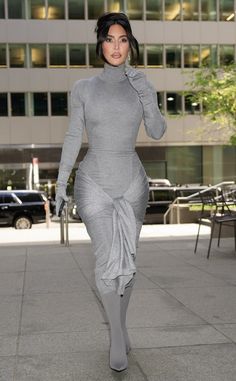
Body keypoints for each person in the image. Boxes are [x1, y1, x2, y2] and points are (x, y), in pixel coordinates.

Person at [56, 12, 166, 372]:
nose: (115, 47)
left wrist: (148, 94)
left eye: (122, 40)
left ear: (130, 44)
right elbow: (74, 136)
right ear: (100, 44)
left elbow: (157, 131)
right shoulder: (83, 88)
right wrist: (60, 183)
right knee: (107, 262)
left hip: (132, 182)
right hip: (94, 182)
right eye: (109, 39)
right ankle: (117, 337)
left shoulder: (140, 85)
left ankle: (120, 324)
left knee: (128, 264)